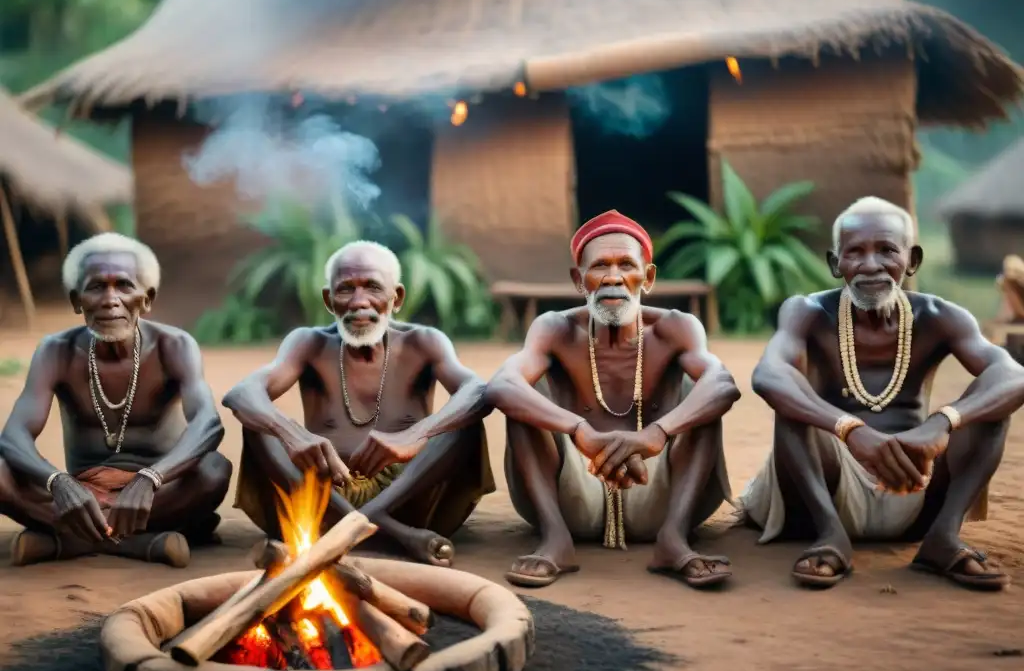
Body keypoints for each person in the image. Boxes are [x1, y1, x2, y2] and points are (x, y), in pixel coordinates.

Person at [741, 196, 1024, 591]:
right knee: (792, 403)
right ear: (834, 263)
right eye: (855, 252)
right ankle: (830, 537)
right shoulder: (808, 311)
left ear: (912, 260)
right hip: (823, 488)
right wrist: (852, 431)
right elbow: (768, 375)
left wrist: (942, 423)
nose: (871, 265)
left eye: (887, 250)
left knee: (991, 406)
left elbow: (1013, 375)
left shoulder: (940, 317)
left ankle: (942, 538)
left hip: (914, 479)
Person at [487, 210, 740, 589]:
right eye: (599, 266)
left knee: (701, 391)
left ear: (648, 277)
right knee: (525, 394)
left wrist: (655, 434)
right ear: (579, 280)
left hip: (661, 492)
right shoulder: (554, 328)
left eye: (626, 264)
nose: (612, 277)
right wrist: (579, 429)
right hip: (574, 496)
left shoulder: (675, 327)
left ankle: (673, 538)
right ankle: (556, 539)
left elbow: (723, 384)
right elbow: (500, 385)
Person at [223, 240, 494, 567]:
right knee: (260, 424)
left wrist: (416, 435)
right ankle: (388, 533)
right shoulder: (309, 343)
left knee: (462, 422)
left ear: (397, 298)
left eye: (373, 288)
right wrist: (292, 433)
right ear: (328, 300)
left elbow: (478, 391)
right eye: (345, 290)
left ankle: (357, 526)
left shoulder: (423, 342)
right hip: (324, 498)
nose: (359, 302)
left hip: (407, 498)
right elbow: (241, 394)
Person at [0, 233, 231, 567]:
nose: (111, 299)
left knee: (213, 470)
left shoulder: (175, 346)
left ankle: (68, 541)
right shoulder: (56, 351)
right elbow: (14, 435)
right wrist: (59, 482)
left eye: (124, 285)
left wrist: (151, 478)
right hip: (82, 495)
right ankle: (140, 543)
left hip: (156, 492)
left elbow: (208, 424)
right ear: (77, 300)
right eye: (96, 287)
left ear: (147, 299)